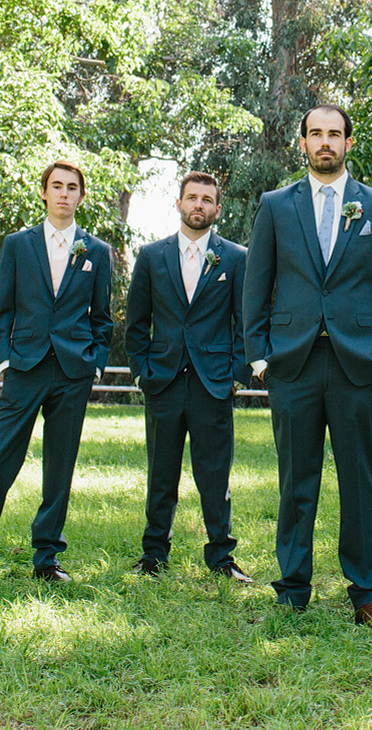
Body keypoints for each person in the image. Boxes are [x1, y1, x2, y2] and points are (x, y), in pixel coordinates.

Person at [242, 104, 372, 624]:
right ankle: (293, 587)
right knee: (297, 478)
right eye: (316, 133)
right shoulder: (275, 205)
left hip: (358, 363)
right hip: (291, 362)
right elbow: (257, 284)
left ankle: (367, 593)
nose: (325, 142)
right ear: (302, 143)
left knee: (360, 479)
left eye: (334, 134)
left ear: (348, 144)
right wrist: (258, 356)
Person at [0, 160, 112, 581]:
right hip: (24, 366)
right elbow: (1, 311)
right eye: (56, 186)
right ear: (43, 192)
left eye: (72, 187)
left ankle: (46, 559)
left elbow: (103, 319)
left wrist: (93, 365)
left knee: (60, 466)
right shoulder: (18, 245)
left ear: (81, 196)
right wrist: (3, 361)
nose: (63, 193)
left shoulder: (96, 251)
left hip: (72, 371)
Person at [124, 171, 254, 583]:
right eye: (192, 198)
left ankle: (221, 557)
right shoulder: (150, 256)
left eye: (207, 199)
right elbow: (136, 324)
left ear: (218, 208)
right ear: (178, 204)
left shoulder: (235, 257)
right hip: (162, 380)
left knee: (215, 475)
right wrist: (143, 371)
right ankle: (153, 555)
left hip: (212, 382)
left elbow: (246, 323)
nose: (199, 205)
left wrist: (236, 373)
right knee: (161, 473)